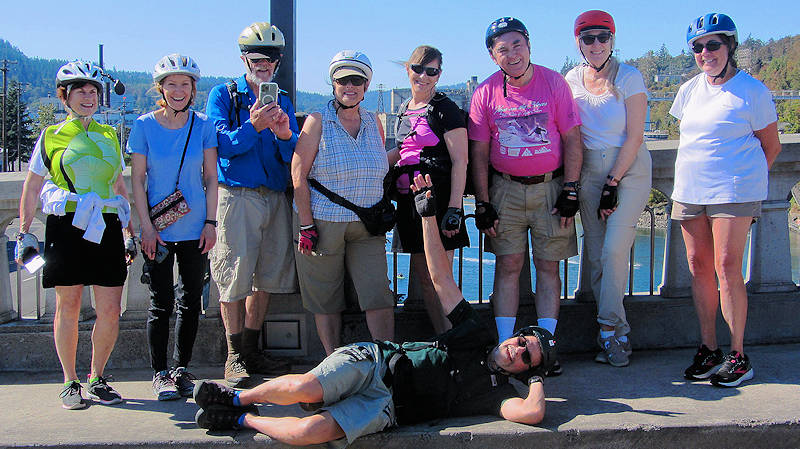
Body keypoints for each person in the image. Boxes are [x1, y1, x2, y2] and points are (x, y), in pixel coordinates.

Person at [193, 173, 557, 447]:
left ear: (524, 372)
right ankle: (236, 397)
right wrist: (427, 215)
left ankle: (241, 420)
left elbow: (531, 413)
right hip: (377, 361)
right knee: (307, 388)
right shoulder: (476, 333)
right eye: (523, 341)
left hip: (387, 407)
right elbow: (441, 278)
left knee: (310, 432)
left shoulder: (498, 394)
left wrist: (536, 380)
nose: (518, 349)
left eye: (527, 357)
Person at [16, 61, 136, 409]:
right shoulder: (51, 136)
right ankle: (69, 380)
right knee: (68, 306)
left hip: (107, 224)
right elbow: (32, 186)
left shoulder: (111, 134)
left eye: (94, 91)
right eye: (80, 90)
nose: (89, 96)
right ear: (64, 96)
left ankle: (96, 376)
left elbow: (118, 184)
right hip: (66, 225)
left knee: (111, 309)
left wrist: (129, 230)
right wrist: (24, 233)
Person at [670, 13, 781, 387]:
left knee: (726, 266)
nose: (705, 53)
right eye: (698, 47)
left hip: (734, 192)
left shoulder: (752, 91)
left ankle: (738, 355)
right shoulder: (688, 90)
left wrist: (746, 183)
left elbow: (772, 145)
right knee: (698, 266)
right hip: (689, 190)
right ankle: (709, 348)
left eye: (713, 45)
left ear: (730, 46)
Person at [468, 17, 583, 371]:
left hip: (550, 186)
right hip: (505, 188)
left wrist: (571, 189)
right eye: (503, 49)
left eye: (517, 45)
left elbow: (572, 138)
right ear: (493, 56)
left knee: (549, 267)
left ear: (529, 45)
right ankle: (506, 345)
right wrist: (483, 202)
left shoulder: (554, 83)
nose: (512, 54)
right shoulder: (484, 93)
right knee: (508, 265)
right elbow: (479, 153)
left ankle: (547, 347)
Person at [205, 21, 298, 387]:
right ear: (244, 58)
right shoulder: (224, 95)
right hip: (238, 196)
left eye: (271, 58)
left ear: (277, 62)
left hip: (274, 195)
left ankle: (252, 349)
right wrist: (253, 126)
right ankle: (234, 355)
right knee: (233, 278)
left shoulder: (284, 99)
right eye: (257, 57)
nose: (264, 64)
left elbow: (293, 155)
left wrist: (284, 133)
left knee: (265, 279)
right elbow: (220, 146)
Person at [291, 50, 395, 355]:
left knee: (378, 295)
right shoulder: (317, 121)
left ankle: (387, 361)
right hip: (323, 223)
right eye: (342, 80)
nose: (350, 86)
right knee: (326, 299)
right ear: (333, 85)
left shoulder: (374, 121)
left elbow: (378, 164)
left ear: (366, 86)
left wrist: (406, 151)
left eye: (357, 80)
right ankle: (333, 361)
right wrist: (306, 225)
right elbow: (298, 173)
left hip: (367, 225)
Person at [128, 54, 219, 400]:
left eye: (185, 84)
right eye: (171, 84)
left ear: (193, 89)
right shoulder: (144, 126)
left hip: (196, 227)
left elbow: (210, 178)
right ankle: (160, 372)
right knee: (160, 301)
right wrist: (146, 228)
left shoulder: (204, 126)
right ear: (160, 88)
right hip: (159, 230)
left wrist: (210, 222)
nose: (178, 90)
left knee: (191, 299)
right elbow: (138, 180)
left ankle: (181, 368)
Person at [565, 11, 652, 367]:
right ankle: (617, 336)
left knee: (615, 250)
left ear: (613, 40)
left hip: (628, 171)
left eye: (603, 37)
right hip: (588, 171)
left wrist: (613, 182)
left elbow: (635, 136)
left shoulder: (630, 77)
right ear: (578, 43)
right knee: (598, 254)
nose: (596, 44)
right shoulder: (570, 79)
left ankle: (607, 328)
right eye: (589, 38)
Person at [388, 45, 469, 334]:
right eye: (418, 68)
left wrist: (455, 209)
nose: (423, 75)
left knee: (442, 279)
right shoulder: (402, 108)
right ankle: (443, 338)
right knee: (425, 278)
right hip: (411, 204)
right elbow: (401, 151)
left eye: (431, 71)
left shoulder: (445, 108)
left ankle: (458, 341)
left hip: (439, 201)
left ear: (439, 75)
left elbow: (461, 161)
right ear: (407, 69)